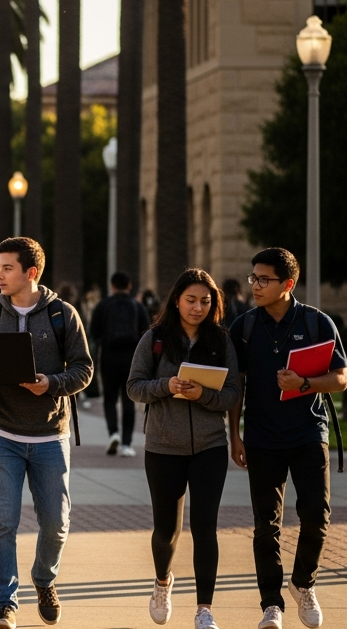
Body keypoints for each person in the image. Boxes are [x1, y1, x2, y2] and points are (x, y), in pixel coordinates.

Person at [0, 237, 93, 629]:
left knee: (56, 522)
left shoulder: (62, 316)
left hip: (50, 434)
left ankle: (44, 579)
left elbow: (84, 370)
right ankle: (5, 602)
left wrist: (49, 383)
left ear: (31, 273)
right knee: (2, 521)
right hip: (1, 431)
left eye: (7, 268)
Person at [228, 248, 347, 629]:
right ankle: (271, 605)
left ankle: (303, 583)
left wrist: (305, 384)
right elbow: (237, 386)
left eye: (264, 280)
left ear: (288, 284)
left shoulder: (317, 323)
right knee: (266, 525)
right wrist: (235, 435)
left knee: (317, 514)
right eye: (253, 278)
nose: (255, 286)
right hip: (262, 438)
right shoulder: (243, 327)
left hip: (309, 433)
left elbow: (342, 378)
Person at [126, 268, 241, 629]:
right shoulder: (155, 339)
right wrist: (167, 386)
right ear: (177, 300)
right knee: (166, 530)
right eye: (191, 300)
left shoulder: (221, 341)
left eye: (205, 301)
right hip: (163, 447)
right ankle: (163, 582)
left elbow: (233, 394)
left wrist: (203, 394)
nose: (197, 308)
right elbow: (134, 387)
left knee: (205, 527)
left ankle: (204, 609)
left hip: (209, 447)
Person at [90, 272, 150, 457]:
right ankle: (126, 443)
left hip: (109, 358)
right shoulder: (137, 306)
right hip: (131, 359)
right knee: (128, 400)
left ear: (112, 286)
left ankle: (113, 433)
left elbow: (94, 333)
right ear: (129, 285)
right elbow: (146, 333)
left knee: (109, 398)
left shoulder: (103, 305)